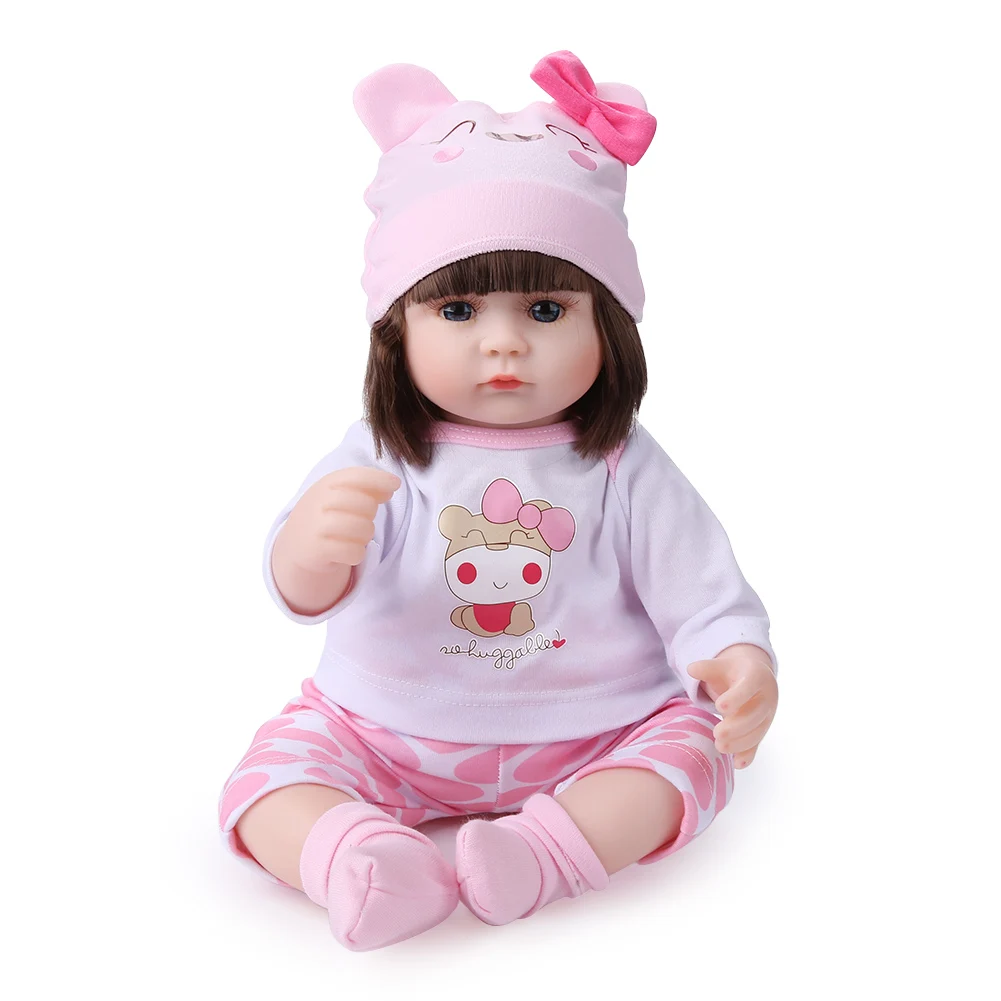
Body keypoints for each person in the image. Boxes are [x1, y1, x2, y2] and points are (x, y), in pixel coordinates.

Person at [217, 49, 779, 952]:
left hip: (599, 730)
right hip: (381, 728)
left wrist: (736, 660)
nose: (504, 343)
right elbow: (301, 591)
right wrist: (310, 550)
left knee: (691, 753)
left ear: (608, 327)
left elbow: (700, 591)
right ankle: (359, 859)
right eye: (458, 311)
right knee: (265, 785)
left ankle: (535, 855)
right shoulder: (384, 452)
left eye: (546, 310)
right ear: (395, 331)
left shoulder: (621, 464)